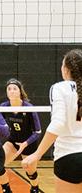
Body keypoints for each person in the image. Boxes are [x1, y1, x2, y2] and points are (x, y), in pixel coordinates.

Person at [22, 49, 82, 192]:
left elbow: (58, 123)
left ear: (66, 69)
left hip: (68, 157)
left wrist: (37, 154)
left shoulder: (60, 88)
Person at [0, 78, 42, 193]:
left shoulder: (28, 108)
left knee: (30, 171)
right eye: (9, 89)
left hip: (29, 142)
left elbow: (37, 132)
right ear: (7, 92)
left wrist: (25, 144)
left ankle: (35, 188)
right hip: (13, 141)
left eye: (14, 89)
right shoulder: (3, 106)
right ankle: (6, 189)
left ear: (20, 92)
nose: (11, 91)